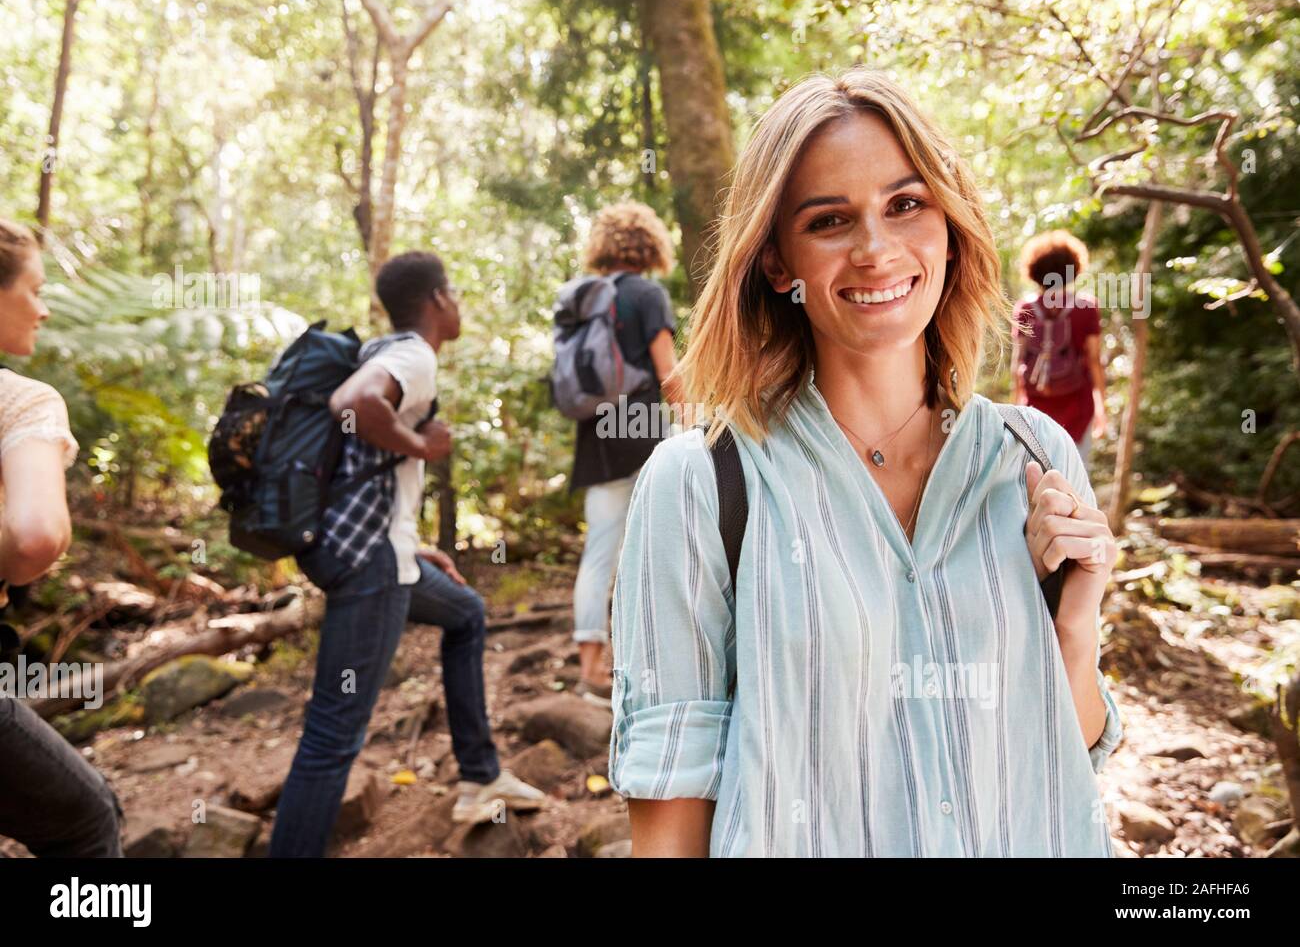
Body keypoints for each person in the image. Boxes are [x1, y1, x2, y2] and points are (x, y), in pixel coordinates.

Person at [608, 69, 1124, 857]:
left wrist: (1075, 628)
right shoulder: (699, 486)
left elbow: (1067, 753)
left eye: (906, 205)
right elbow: (672, 816)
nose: (876, 250)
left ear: (949, 227)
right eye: (829, 220)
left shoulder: (1034, 459)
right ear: (779, 265)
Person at [269, 251, 542, 857]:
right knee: (333, 735)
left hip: (382, 552)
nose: (460, 304)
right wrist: (423, 444)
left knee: (467, 613)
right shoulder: (412, 355)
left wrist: (413, 546)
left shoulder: (384, 351)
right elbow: (352, 405)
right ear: (440, 300)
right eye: (456, 294)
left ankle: (479, 775)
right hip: (371, 565)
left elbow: (361, 466)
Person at [0, 217, 123, 857]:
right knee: (86, 820)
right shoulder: (21, 402)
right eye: (34, 289)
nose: (43, 310)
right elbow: (34, 540)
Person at [567, 202, 681, 706]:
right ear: (649, 245)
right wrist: (697, 429)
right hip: (642, 434)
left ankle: (591, 666)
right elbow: (669, 375)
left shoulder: (582, 298)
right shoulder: (647, 295)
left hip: (596, 440)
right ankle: (655, 659)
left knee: (599, 555)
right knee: (658, 550)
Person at [1012, 230, 1106, 465]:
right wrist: (1101, 405)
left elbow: (1017, 362)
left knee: (1037, 478)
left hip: (1036, 407)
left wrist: (1016, 407)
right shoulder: (1086, 307)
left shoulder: (1025, 308)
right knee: (1076, 476)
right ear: (1073, 269)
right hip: (1078, 406)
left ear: (1034, 271)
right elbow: (1094, 359)